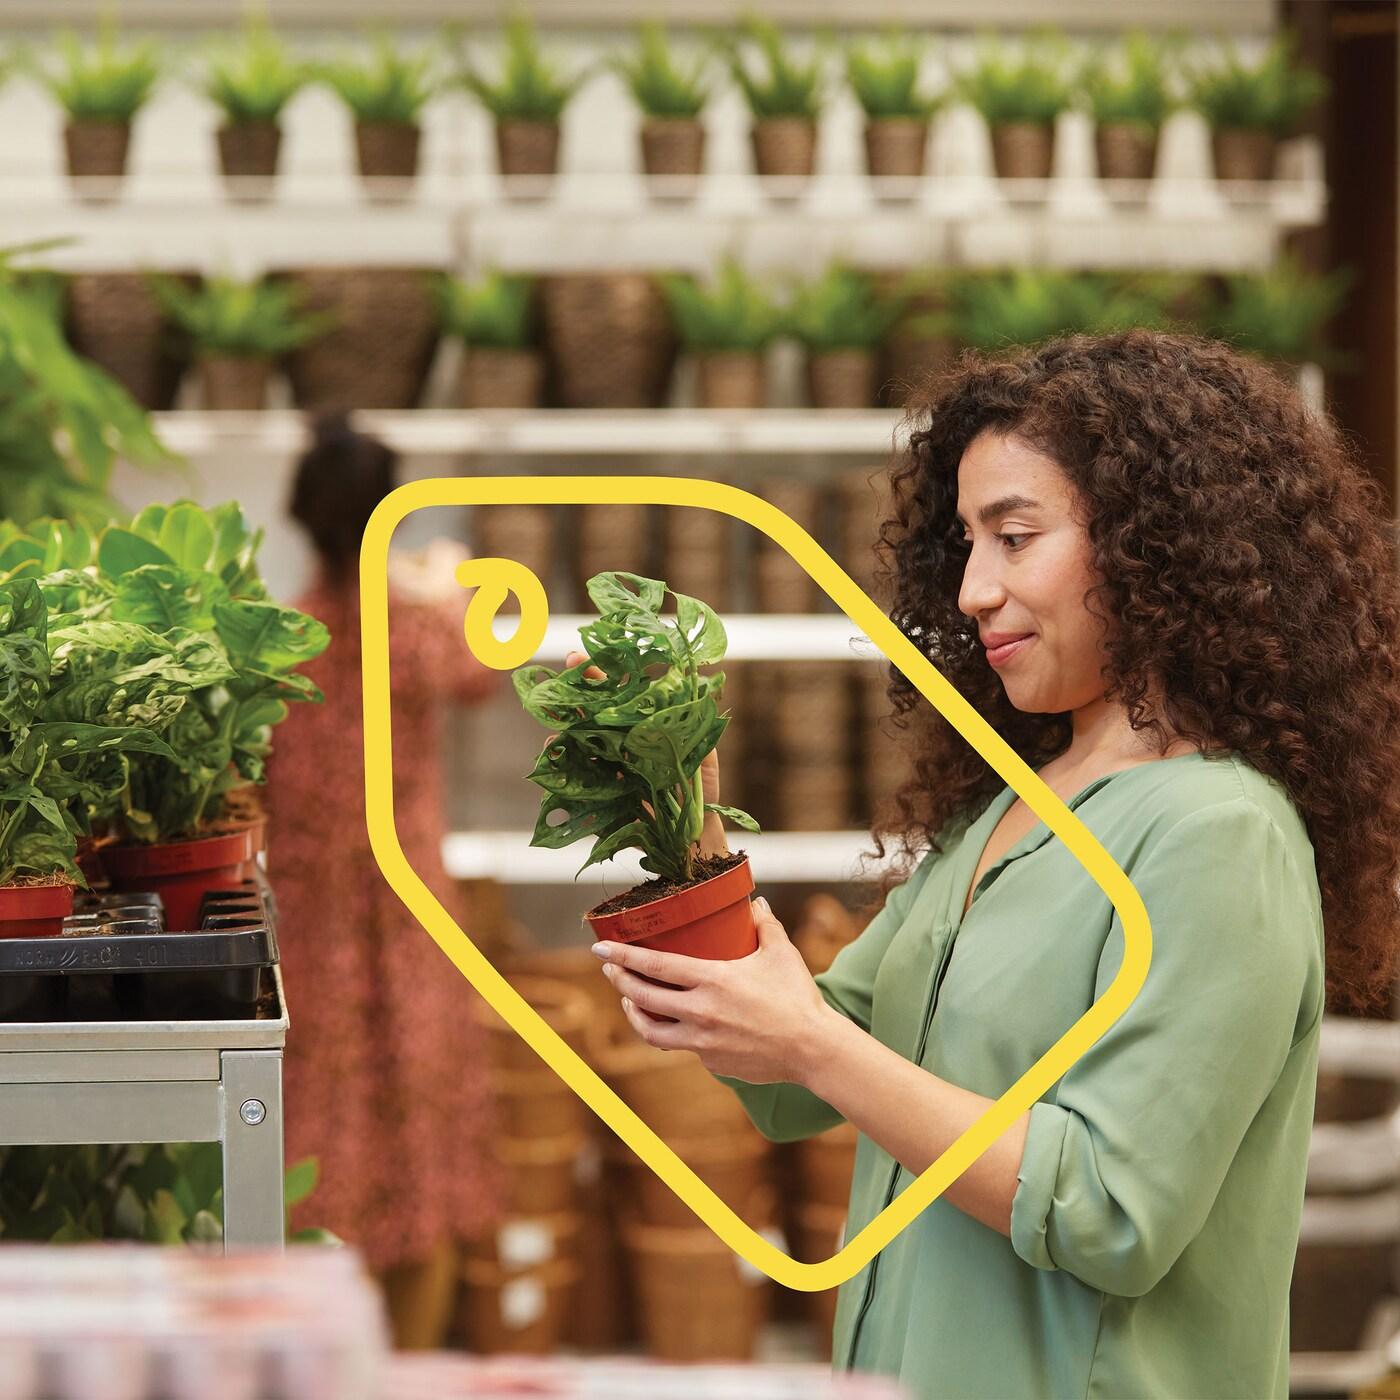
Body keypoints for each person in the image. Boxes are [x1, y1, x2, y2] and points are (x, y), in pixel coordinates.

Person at [586, 331, 1400, 1399]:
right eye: (965, 544)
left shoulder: (1218, 833)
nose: (971, 589)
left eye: (1014, 536)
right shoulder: (1011, 810)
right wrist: (680, 805)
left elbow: (1108, 1210)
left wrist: (811, 1042)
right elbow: (791, 1083)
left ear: (1157, 545)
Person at [265, 413, 504, 1349]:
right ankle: (402, 1366)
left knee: (316, 1137)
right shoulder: (414, 631)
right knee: (424, 1137)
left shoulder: (282, 643)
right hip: (408, 915)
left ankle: (316, 1355)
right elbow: (487, 665)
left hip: (309, 923)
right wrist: (446, 580)